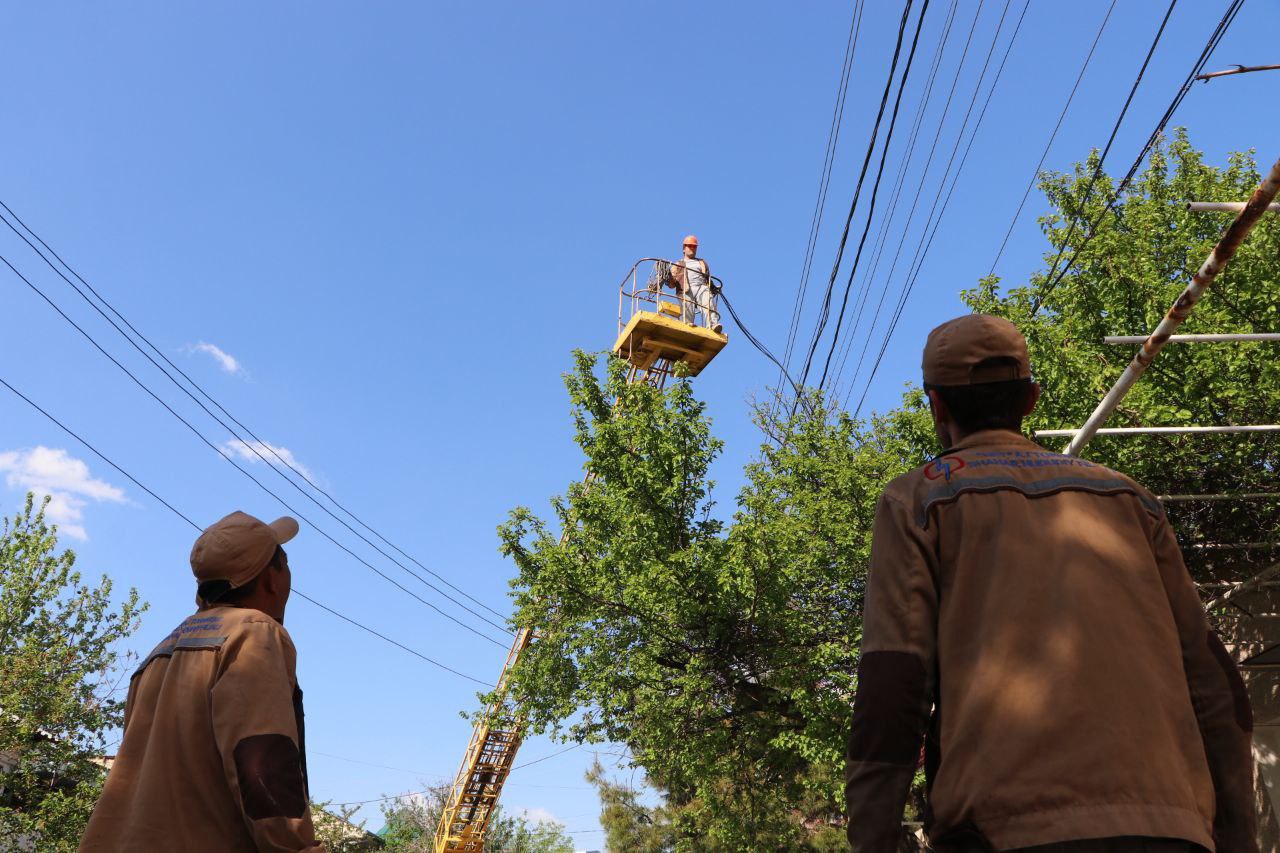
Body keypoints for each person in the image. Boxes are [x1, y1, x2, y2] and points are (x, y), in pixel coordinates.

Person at [845, 314, 1255, 853]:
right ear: (1031, 399)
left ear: (937, 406)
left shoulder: (917, 501)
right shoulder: (1129, 499)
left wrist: (872, 837)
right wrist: (1234, 837)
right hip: (1172, 829)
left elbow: (895, 682)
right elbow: (1214, 683)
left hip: (1006, 831)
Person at [80, 511, 322, 852]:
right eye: (285, 564)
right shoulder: (254, 631)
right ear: (271, 578)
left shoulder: (160, 652)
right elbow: (262, 762)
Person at [672, 234, 722, 334]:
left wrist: (713, 288)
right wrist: (669, 277)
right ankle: (687, 326)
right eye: (689, 246)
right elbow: (671, 283)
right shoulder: (678, 264)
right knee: (687, 308)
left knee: (708, 301)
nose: (692, 248)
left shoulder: (702, 262)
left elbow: (707, 278)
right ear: (684, 248)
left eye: (694, 246)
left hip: (701, 287)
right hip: (685, 289)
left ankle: (712, 325)